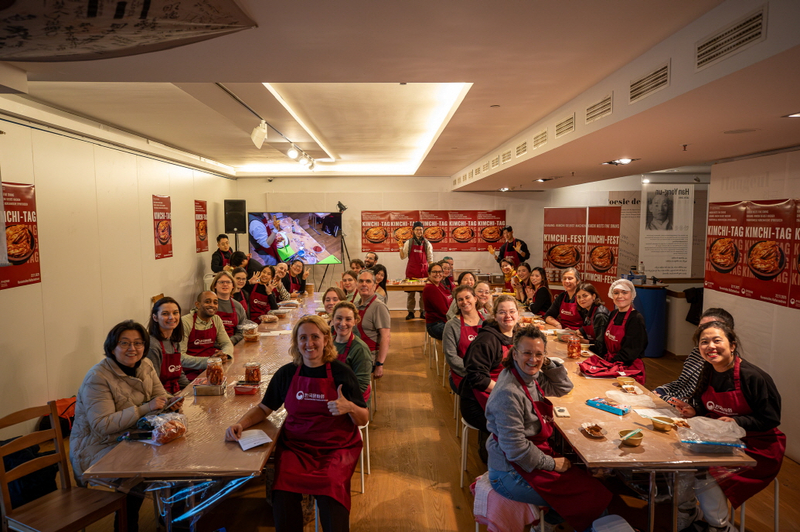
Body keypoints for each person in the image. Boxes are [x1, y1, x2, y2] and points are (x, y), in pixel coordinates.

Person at [225, 315, 367, 532]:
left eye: (314, 337)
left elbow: (363, 417)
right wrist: (240, 424)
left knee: (331, 490)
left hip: (336, 447)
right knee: (282, 492)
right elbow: (264, 408)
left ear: (326, 339)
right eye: (303, 338)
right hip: (297, 447)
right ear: (296, 342)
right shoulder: (287, 373)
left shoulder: (341, 373)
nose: (309, 344)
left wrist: (350, 408)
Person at [485, 327, 611, 532]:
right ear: (514, 353)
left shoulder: (529, 376)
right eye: (527, 353)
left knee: (590, 486)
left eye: (538, 353)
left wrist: (547, 361)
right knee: (590, 499)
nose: (533, 360)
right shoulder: (509, 393)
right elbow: (515, 450)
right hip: (510, 472)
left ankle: (548, 523)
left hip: (529, 457)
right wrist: (552, 464)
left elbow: (563, 388)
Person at [669, 322, 784, 532]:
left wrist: (738, 422)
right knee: (679, 457)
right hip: (720, 438)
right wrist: (696, 412)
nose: (710, 346)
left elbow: (771, 419)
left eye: (716, 340)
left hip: (758, 446)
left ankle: (719, 526)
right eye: (704, 342)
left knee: (706, 469)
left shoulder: (753, 377)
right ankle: (689, 512)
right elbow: (708, 409)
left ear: (732, 345)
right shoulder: (708, 371)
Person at [71, 320, 178, 532]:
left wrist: (172, 400)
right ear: (112, 347)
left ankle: (172, 521)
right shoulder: (98, 377)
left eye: (138, 343)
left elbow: (160, 395)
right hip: (97, 446)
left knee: (176, 456)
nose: (133, 349)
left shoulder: (145, 365)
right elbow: (102, 425)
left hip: (132, 435)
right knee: (138, 473)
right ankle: (127, 526)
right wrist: (145, 408)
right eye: (125, 343)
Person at [460, 295, 519, 462]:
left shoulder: (518, 334)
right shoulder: (487, 340)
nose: (508, 316)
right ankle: (495, 469)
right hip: (476, 402)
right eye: (502, 312)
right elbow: (476, 377)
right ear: (494, 316)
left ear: (518, 314)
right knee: (511, 425)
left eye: (512, 311)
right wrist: (507, 390)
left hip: (503, 395)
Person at [655, 308, 735, 402]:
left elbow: (702, 405)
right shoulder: (697, 352)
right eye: (701, 327)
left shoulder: (727, 369)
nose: (705, 332)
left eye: (711, 327)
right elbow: (681, 383)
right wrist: (660, 391)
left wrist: (663, 398)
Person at [581, 279, 648, 384]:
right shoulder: (613, 314)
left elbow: (629, 353)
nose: (619, 296)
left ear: (632, 295)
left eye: (624, 292)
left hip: (628, 370)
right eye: (616, 293)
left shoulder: (635, 319)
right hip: (612, 363)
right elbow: (603, 344)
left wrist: (607, 365)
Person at [179, 291, 234, 381]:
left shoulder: (216, 319)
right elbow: (181, 358)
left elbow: (226, 343)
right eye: (207, 302)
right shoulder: (185, 322)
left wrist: (225, 354)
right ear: (198, 304)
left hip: (212, 368)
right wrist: (209, 361)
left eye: (215, 302)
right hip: (191, 372)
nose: (212, 305)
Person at [443, 285, 483, 393]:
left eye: (467, 297)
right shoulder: (451, 325)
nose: (464, 302)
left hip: (487, 372)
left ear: (475, 298)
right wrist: (474, 371)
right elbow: (451, 356)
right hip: (463, 374)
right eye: (460, 299)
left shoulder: (487, 321)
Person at [331, 301, 373, 402]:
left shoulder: (360, 349)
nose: (342, 323)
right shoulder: (327, 343)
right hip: (331, 393)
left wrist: (340, 399)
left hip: (352, 398)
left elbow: (361, 386)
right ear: (332, 320)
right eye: (339, 318)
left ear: (355, 321)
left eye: (348, 319)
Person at [147, 297, 190, 393]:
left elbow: (180, 374)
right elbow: (154, 384)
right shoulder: (152, 345)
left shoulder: (174, 341)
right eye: (165, 314)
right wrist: (171, 400)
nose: (172, 317)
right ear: (155, 317)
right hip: (160, 399)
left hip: (176, 393)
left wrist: (191, 390)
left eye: (175, 313)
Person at [355, 270, 391, 378]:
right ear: (357, 285)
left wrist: (379, 364)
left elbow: (386, 337)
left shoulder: (379, 307)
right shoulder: (355, 305)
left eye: (368, 281)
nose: (364, 284)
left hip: (368, 357)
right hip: (355, 352)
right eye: (361, 281)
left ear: (374, 286)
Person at [399, 221, 434, 320]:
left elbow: (430, 259)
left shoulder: (427, 243)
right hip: (411, 271)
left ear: (423, 231)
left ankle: (423, 312)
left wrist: (431, 273)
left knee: (423, 294)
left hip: (423, 271)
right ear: (413, 231)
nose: (419, 231)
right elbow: (402, 257)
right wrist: (400, 247)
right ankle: (410, 312)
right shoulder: (409, 243)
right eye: (417, 229)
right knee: (411, 294)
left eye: (421, 229)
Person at [211, 270, 247, 345]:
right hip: (211, 347)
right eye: (221, 282)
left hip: (232, 346)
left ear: (233, 285)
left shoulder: (238, 306)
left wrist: (230, 341)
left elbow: (242, 331)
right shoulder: (207, 305)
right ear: (215, 285)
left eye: (228, 282)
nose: (225, 284)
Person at [574, 283, 610, 354]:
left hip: (601, 356)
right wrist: (573, 333)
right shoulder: (587, 310)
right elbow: (584, 329)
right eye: (578, 297)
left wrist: (582, 341)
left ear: (593, 296)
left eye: (585, 296)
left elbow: (601, 346)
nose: (581, 299)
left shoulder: (600, 315)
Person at [422, 262, 452, 341]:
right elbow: (443, 311)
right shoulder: (430, 288)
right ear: (429, 274)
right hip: (436, 324)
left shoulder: (440, 285)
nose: (438, 274)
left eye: (440, 272)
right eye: (434, 272)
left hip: (444, 320)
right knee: (461, 333)